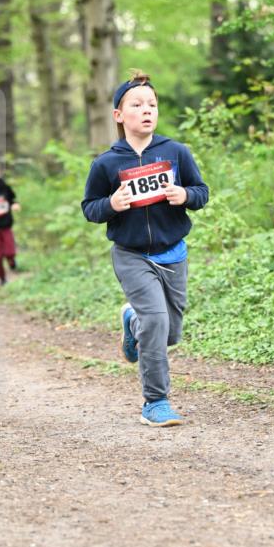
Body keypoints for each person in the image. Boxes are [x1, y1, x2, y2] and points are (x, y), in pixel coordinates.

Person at [82, 70, 209, 427]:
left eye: (152, 104)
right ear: (119, 116)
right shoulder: (107, 163)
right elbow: (89, 207)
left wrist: (185, 195)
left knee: (169, 333)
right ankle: (155, 402)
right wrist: (112, 204)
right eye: (136, 104)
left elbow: (201, 192)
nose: (146, 110)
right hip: (131, 254)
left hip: (173, 253)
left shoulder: (176, 152)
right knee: (156, 321)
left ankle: (131, 321)